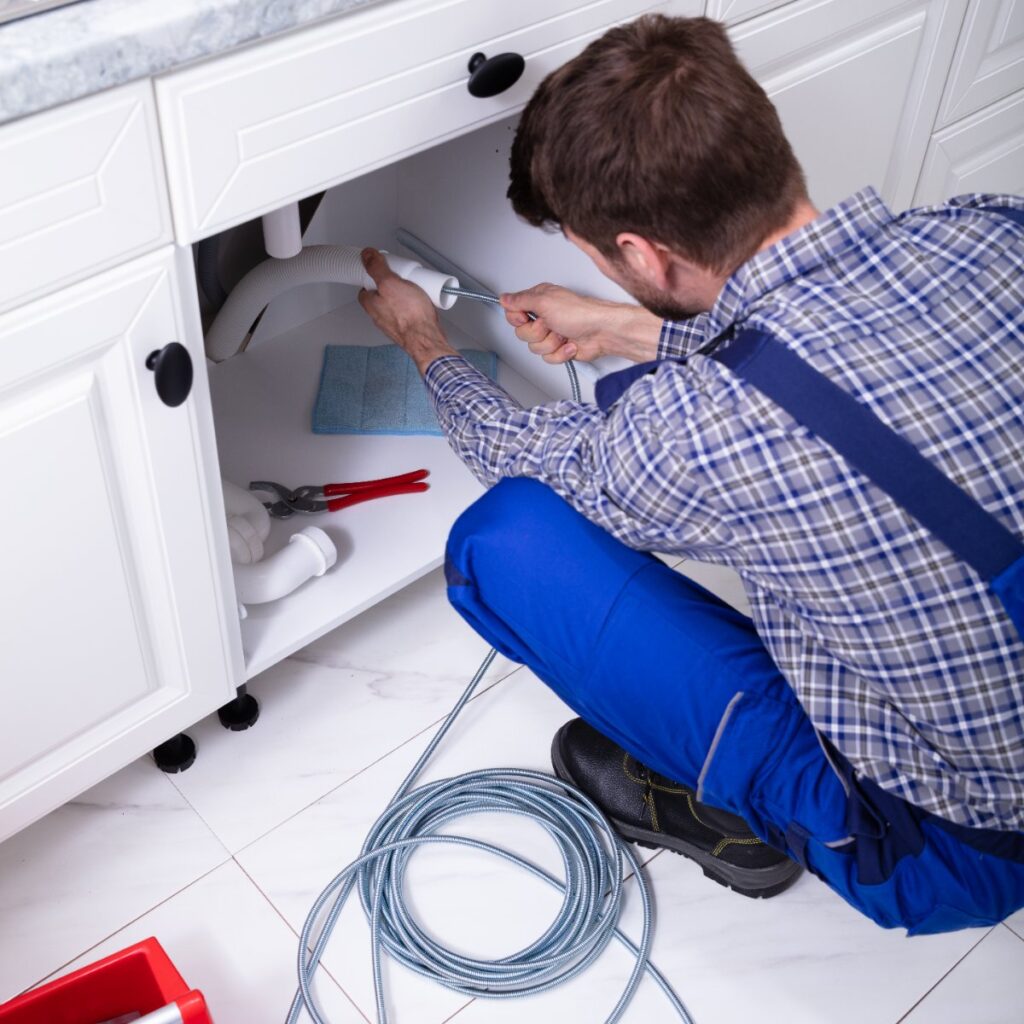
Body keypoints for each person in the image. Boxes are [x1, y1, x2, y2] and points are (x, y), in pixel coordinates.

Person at [356, 14, 1024, 933]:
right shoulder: (987, 232)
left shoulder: (690, 436)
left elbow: (512, 450)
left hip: (960, 848)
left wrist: (423, 340)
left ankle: (747, 823)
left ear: (640, 253)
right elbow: (828, 370)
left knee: (504, 542)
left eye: (595, 253)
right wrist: (634, 327)